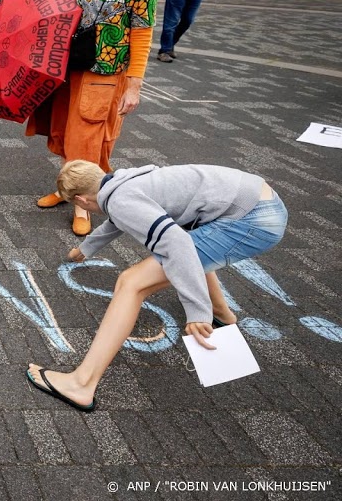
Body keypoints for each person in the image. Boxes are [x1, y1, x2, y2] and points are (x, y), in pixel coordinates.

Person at [26, 159, 288, 412]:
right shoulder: (121, 182)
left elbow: (177, 245)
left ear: (82, 200)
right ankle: (223, 315)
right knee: (197, 244)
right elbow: (118, 219)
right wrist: (85, 249)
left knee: (132, 282)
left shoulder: (120, 200)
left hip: (252, 220)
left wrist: (197, 310)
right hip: (257, 199)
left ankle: (80, 384)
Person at [28, 0, 163, 236]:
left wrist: (134, 85)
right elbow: (70, 7)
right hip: (71, 61)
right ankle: (67, 189)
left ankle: (85, 203)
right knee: (63, 131)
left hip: (105, 69)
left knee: (87, 138)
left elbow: (142, 31)